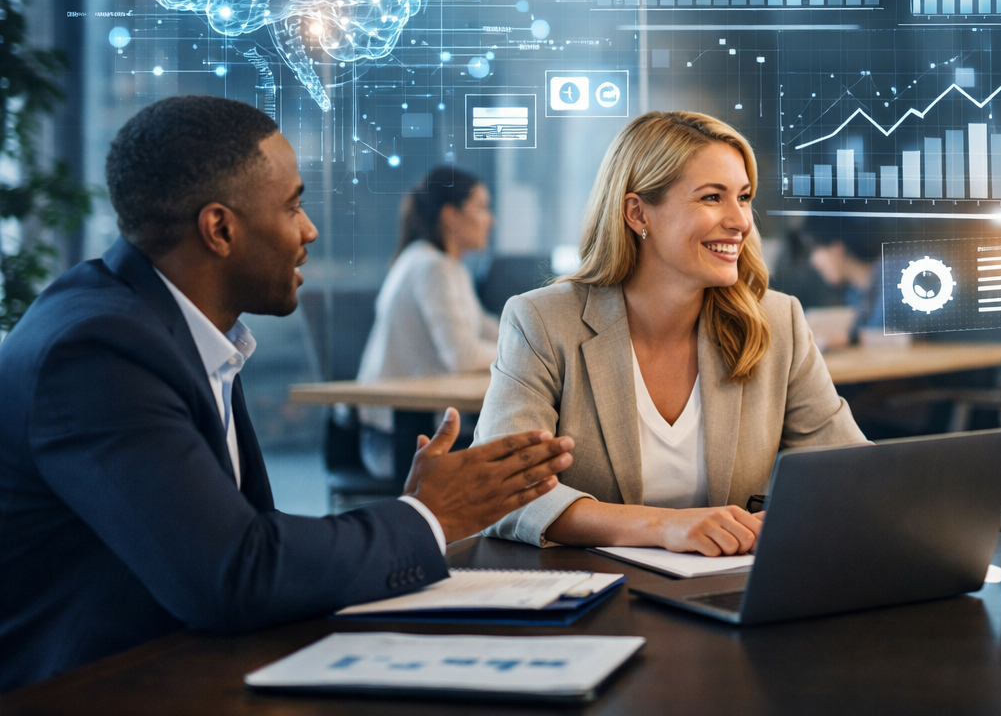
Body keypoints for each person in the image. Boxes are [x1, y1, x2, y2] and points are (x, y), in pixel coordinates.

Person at [0, 96, 574, 692]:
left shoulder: (183, 330)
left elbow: (248, 536)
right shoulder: (98, 351)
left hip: (173, 661)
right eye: (294, 205)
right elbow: (234, 573)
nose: (310, 229)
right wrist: (427, 516)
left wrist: (416, 513)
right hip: (88, 687)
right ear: (219, 228)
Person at [474, 111, 866, 555]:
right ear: (637, 212)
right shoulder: (543, 321)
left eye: (744, 197)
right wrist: (663, 527)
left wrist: (793, 515)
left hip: (724, 594)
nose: (741, 222)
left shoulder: (778, 321)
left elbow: (849, 471)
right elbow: (504, 492)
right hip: (588, 596)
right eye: (712, 198)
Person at [356, 165, 501, 480]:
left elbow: (489, 330)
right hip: (399, 442)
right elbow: (462, 355)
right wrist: (524, 354)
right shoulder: (431, 268)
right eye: (481, 208)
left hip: (415, 433)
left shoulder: (446, 266)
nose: (491, 220)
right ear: (450, 216)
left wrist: (533, 339)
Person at [800, 217, 886, 348]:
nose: (814, 261)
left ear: (837, 248)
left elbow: (920, 333)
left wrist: (855, 339)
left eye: (816, 250)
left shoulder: (895, 280)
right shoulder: (854, 294)